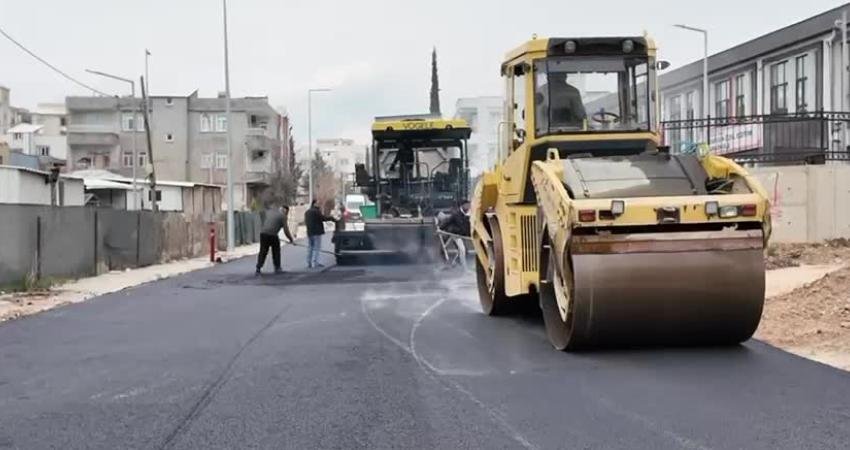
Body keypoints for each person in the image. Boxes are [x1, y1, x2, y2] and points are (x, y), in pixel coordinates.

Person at [256, 203, 295, 275]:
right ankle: (277, 267)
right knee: (276, 251)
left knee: (263, 251)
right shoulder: (283, 216)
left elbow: (264, 218)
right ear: (286, 211)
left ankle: (258, 267)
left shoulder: (271, 211)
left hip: (263, 233)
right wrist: (291, 240)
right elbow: (286, 230)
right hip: (272, 235)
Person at [304, 199, 336, 268]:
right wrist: (331, 218)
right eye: (318, 203)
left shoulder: (307, 212)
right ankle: (315, 263)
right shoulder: (316, 211)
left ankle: (309, 262)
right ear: (314, 204)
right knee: (317, 248)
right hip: (317, 232)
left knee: (310, 247)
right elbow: (323, 218)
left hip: (309, 232)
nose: (320, 205)